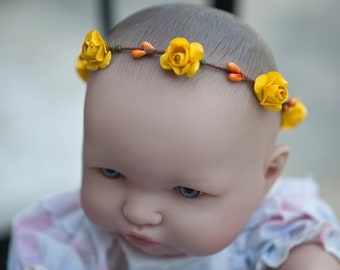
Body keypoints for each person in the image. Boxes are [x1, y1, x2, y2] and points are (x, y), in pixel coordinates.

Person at [7, 4, 340, 270]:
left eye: (188, 191)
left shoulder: (275, 230)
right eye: (111, 172)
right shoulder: (59, 245)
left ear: (267, 175)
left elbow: (312, 244)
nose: (138, 213)